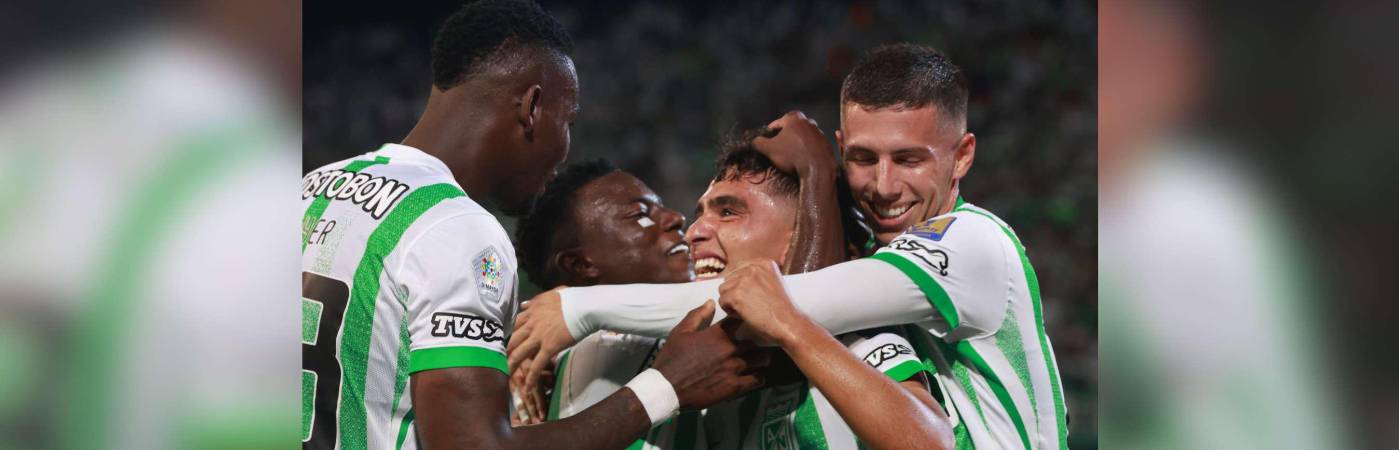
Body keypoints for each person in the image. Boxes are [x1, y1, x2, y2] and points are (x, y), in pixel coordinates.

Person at [509, 44, 1069, 449]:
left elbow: (794, 304)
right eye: (862, 159)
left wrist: (577, 308)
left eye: (909, 159)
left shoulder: (971, 242)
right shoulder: (704, 362)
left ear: (963, 155)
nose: (883, 185)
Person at [301, 2, 763, 449]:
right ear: (533, 107)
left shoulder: (309, 189)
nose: (565, 149)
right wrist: (665, 386)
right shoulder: (456, 228)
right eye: (569, 120)